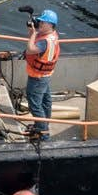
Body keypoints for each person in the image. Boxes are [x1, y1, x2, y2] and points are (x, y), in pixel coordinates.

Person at [24, 9, 60, 140]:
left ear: (51, 25)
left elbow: (30, 49)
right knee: (46, 101)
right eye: (40, 21)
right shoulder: (52, 35)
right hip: (46, 75)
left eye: (43, 22)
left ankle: (43, 133)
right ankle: (44, 125)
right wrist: (34, 33)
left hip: (37, 77)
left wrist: (33, 33)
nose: (40, 24)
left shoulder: (44, 42)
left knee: (34, 103)